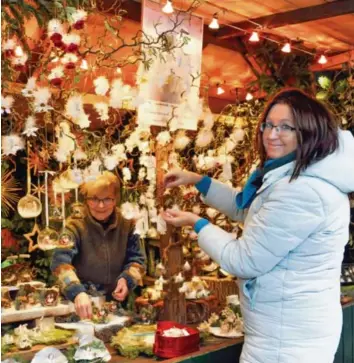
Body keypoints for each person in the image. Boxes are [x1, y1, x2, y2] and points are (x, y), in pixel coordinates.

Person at [162, 88, 354, 363]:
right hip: (284, 329)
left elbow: (244, 260)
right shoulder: (299, 173)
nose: (271, 134)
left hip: (287, 340)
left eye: (285, 127)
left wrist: (198, 223)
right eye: (269, 125)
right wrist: (198, 180)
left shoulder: (303, 190)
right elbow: (251, 210)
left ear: (308, 132)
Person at [51, 171, 145, 320]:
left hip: (113, 307)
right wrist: (77, 292)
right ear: (86, 199)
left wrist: (126, 280)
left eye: (107, 199)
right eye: (94, 199)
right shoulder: (74, 225)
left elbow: (137, 260)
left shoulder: (127, 222)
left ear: (116, 200)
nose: (100, 205)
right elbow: (60, 264)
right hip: (81, 305)